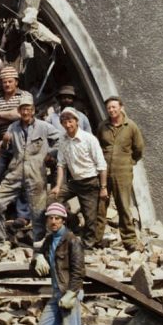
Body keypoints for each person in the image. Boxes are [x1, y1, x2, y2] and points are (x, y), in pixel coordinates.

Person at [0, 91, 58, 241]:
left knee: (38, 210)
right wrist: (5, 142)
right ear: (19, 111)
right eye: (22, 109)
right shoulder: (13, 127)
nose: (25, 112)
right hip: (16, 171)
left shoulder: (44, 127)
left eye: (28, 109)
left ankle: (39, 243)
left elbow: (61, 139)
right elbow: (3, 149)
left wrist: (51, 154)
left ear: (33, 111)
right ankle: (0, 239)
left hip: (36, 172)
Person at [29, 202, 84, 325]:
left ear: (63, 221)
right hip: (56, 294)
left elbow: (79, 271)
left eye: (57, 218)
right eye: (51, 218)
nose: (53, 221)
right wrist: (37, 258)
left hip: (69, 293)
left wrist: (72, 293)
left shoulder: (72, 240)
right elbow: (36, 269)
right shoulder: (50, 239)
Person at [51, 106, 108, 247]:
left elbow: (101, 165)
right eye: (64, 122)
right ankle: (73, 223)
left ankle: (88, 244)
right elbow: (61, 165)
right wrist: (58, 186)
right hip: (73, 182)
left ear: (76, 121)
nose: (68, 125)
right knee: (52, 200)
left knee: (90, 218)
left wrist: (103, 187)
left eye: (70, 121)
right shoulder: (63, 140)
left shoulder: (89, 139)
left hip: (90, 182)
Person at [99, 96, 145, 252]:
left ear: (121, 107)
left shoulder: (131, 126)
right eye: (109, 108)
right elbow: (97, 147)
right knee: (100, 206)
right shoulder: (102, 127)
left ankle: (129, 240)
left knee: (124, 206)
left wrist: (129, 163)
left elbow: (138, 149)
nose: (111, 110)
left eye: (114, 107)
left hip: (123, 172)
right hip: (104, 173)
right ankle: (95, 239)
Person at [0, 65, 24, 130]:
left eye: (10, 81)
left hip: (21, 134)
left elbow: (22, 115)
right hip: (1, 136)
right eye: (4, 82)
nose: (7, 84)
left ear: (16, 82)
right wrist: (13, 117)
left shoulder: (25, 95)